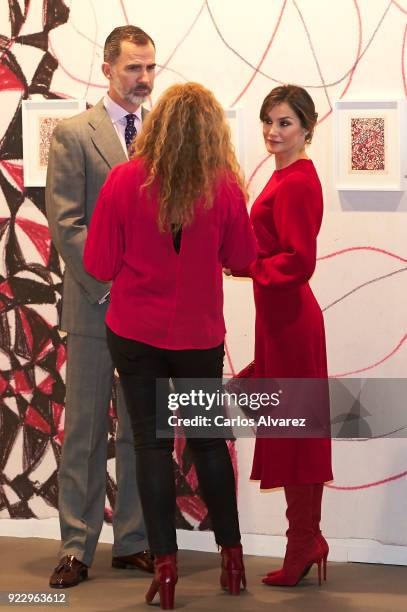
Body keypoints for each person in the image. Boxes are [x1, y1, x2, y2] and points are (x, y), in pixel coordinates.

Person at [83, 82, 257, 609]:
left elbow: (97, 263)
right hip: (198, 335)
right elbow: (244, 258)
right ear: (211, 131)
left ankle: (165, 566)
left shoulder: (124, 179)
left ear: (157, 126)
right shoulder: (223, 186)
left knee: (151, 447)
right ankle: (231, 558)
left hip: (135, 333)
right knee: (208, 443)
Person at [45, 25, 156, 588]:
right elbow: (67, 225)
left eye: (150, 68)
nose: (144, 78)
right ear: (109, 68)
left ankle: (133, 540)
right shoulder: (73, 133)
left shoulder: (161, 136)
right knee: (85, 432)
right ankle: (75, 546)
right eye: (134, 68)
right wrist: (110, 288)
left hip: (149, 313)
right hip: (94, 308)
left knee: (141, 428)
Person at [228, 84, 333, 587]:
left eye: (285, 122)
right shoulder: (285, 176)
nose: (273, 131)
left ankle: (304, 543)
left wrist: (247, 265)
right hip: (277, 321)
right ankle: (306, 540)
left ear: (307, 128)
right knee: (289, 428)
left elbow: (299, 261)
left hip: (291, 321)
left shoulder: (295, 182)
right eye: (269, 120)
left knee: (295, 434)